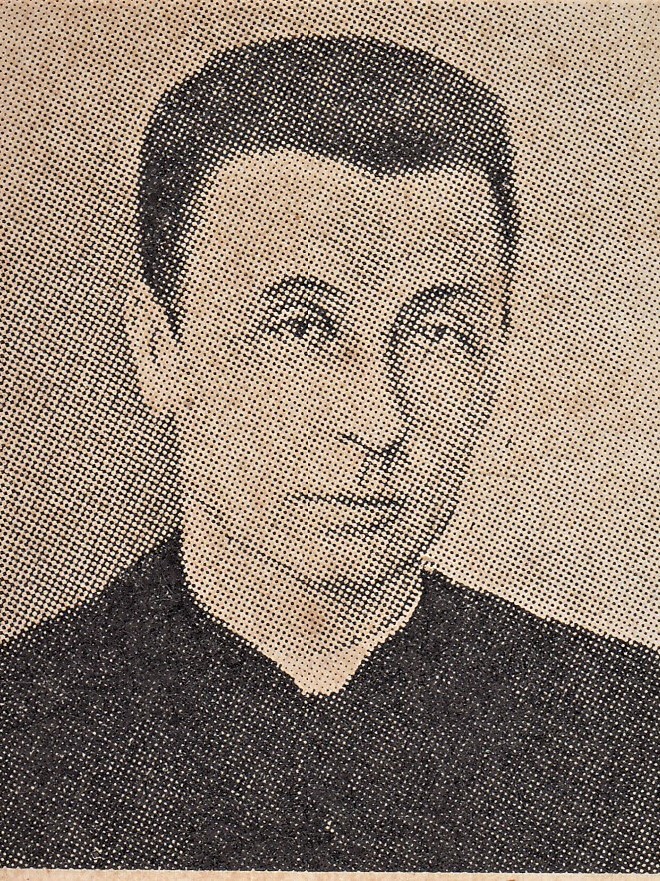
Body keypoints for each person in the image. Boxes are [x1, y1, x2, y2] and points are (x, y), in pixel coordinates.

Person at [0, 34, 658, 871]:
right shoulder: (23, 734)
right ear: (161, 352)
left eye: (438, 333)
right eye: (302, 328)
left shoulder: (628, 738)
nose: (379, 417)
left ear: (497, 354)